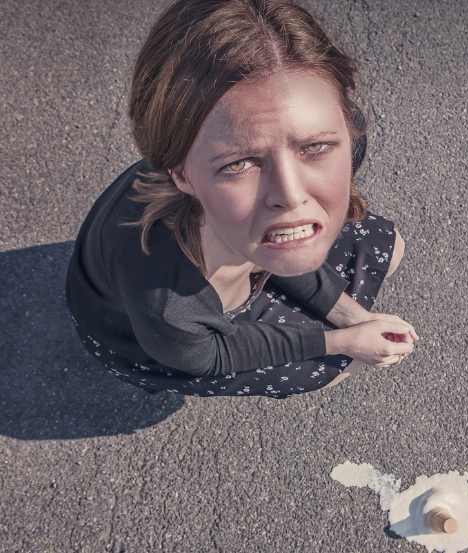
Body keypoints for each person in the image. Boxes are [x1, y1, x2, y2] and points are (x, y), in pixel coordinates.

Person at [65, 0, 419, 399]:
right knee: (335, 366)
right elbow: (213, 353)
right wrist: (343, 342)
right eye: (238, 164)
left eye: (315, 146)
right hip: (154, 340)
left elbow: (283, 236)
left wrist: (352, 316)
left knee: (390, 249)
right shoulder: (167, 304)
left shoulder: (334, 148)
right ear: (180, 173)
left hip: (233, 254)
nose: (290, 196)